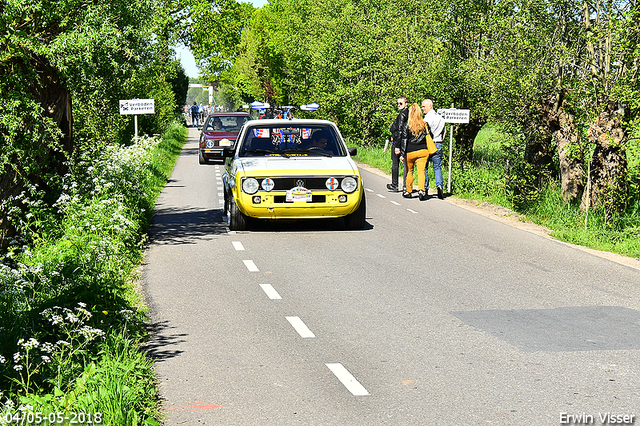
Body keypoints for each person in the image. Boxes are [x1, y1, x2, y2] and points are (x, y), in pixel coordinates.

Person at [400, 103, 431, 201]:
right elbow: (431, 136)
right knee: (421, 171)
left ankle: (408, 191)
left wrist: (402, 154)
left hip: (410, 151)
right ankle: (421, 190)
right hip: (423, 151)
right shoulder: (424, 124)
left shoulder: (406, 125)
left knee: (410, 171)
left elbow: (404, 140)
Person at [421, 99, 446, 199]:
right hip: (438, 143)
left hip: (428, 144)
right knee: (437, 167)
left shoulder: (426, 119)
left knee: (425, 167)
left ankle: (425, 188)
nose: (422, 108)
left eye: (424, 106)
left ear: (430, 106)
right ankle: (439, 186)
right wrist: (440, 140)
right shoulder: (441, 118)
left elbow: (423, 133)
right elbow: (444, 132)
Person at [388, 97, 409, 192]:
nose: (398, 105)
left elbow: (400, 130)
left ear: (406, 104)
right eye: (398, 103)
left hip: (399, 142)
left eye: (401, 103)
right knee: (406, 164)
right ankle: (405, 186)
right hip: (404, 141)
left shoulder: (402, 115)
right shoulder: (407, 113)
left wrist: (397, 145)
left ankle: (395, 184)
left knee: (395, 163)